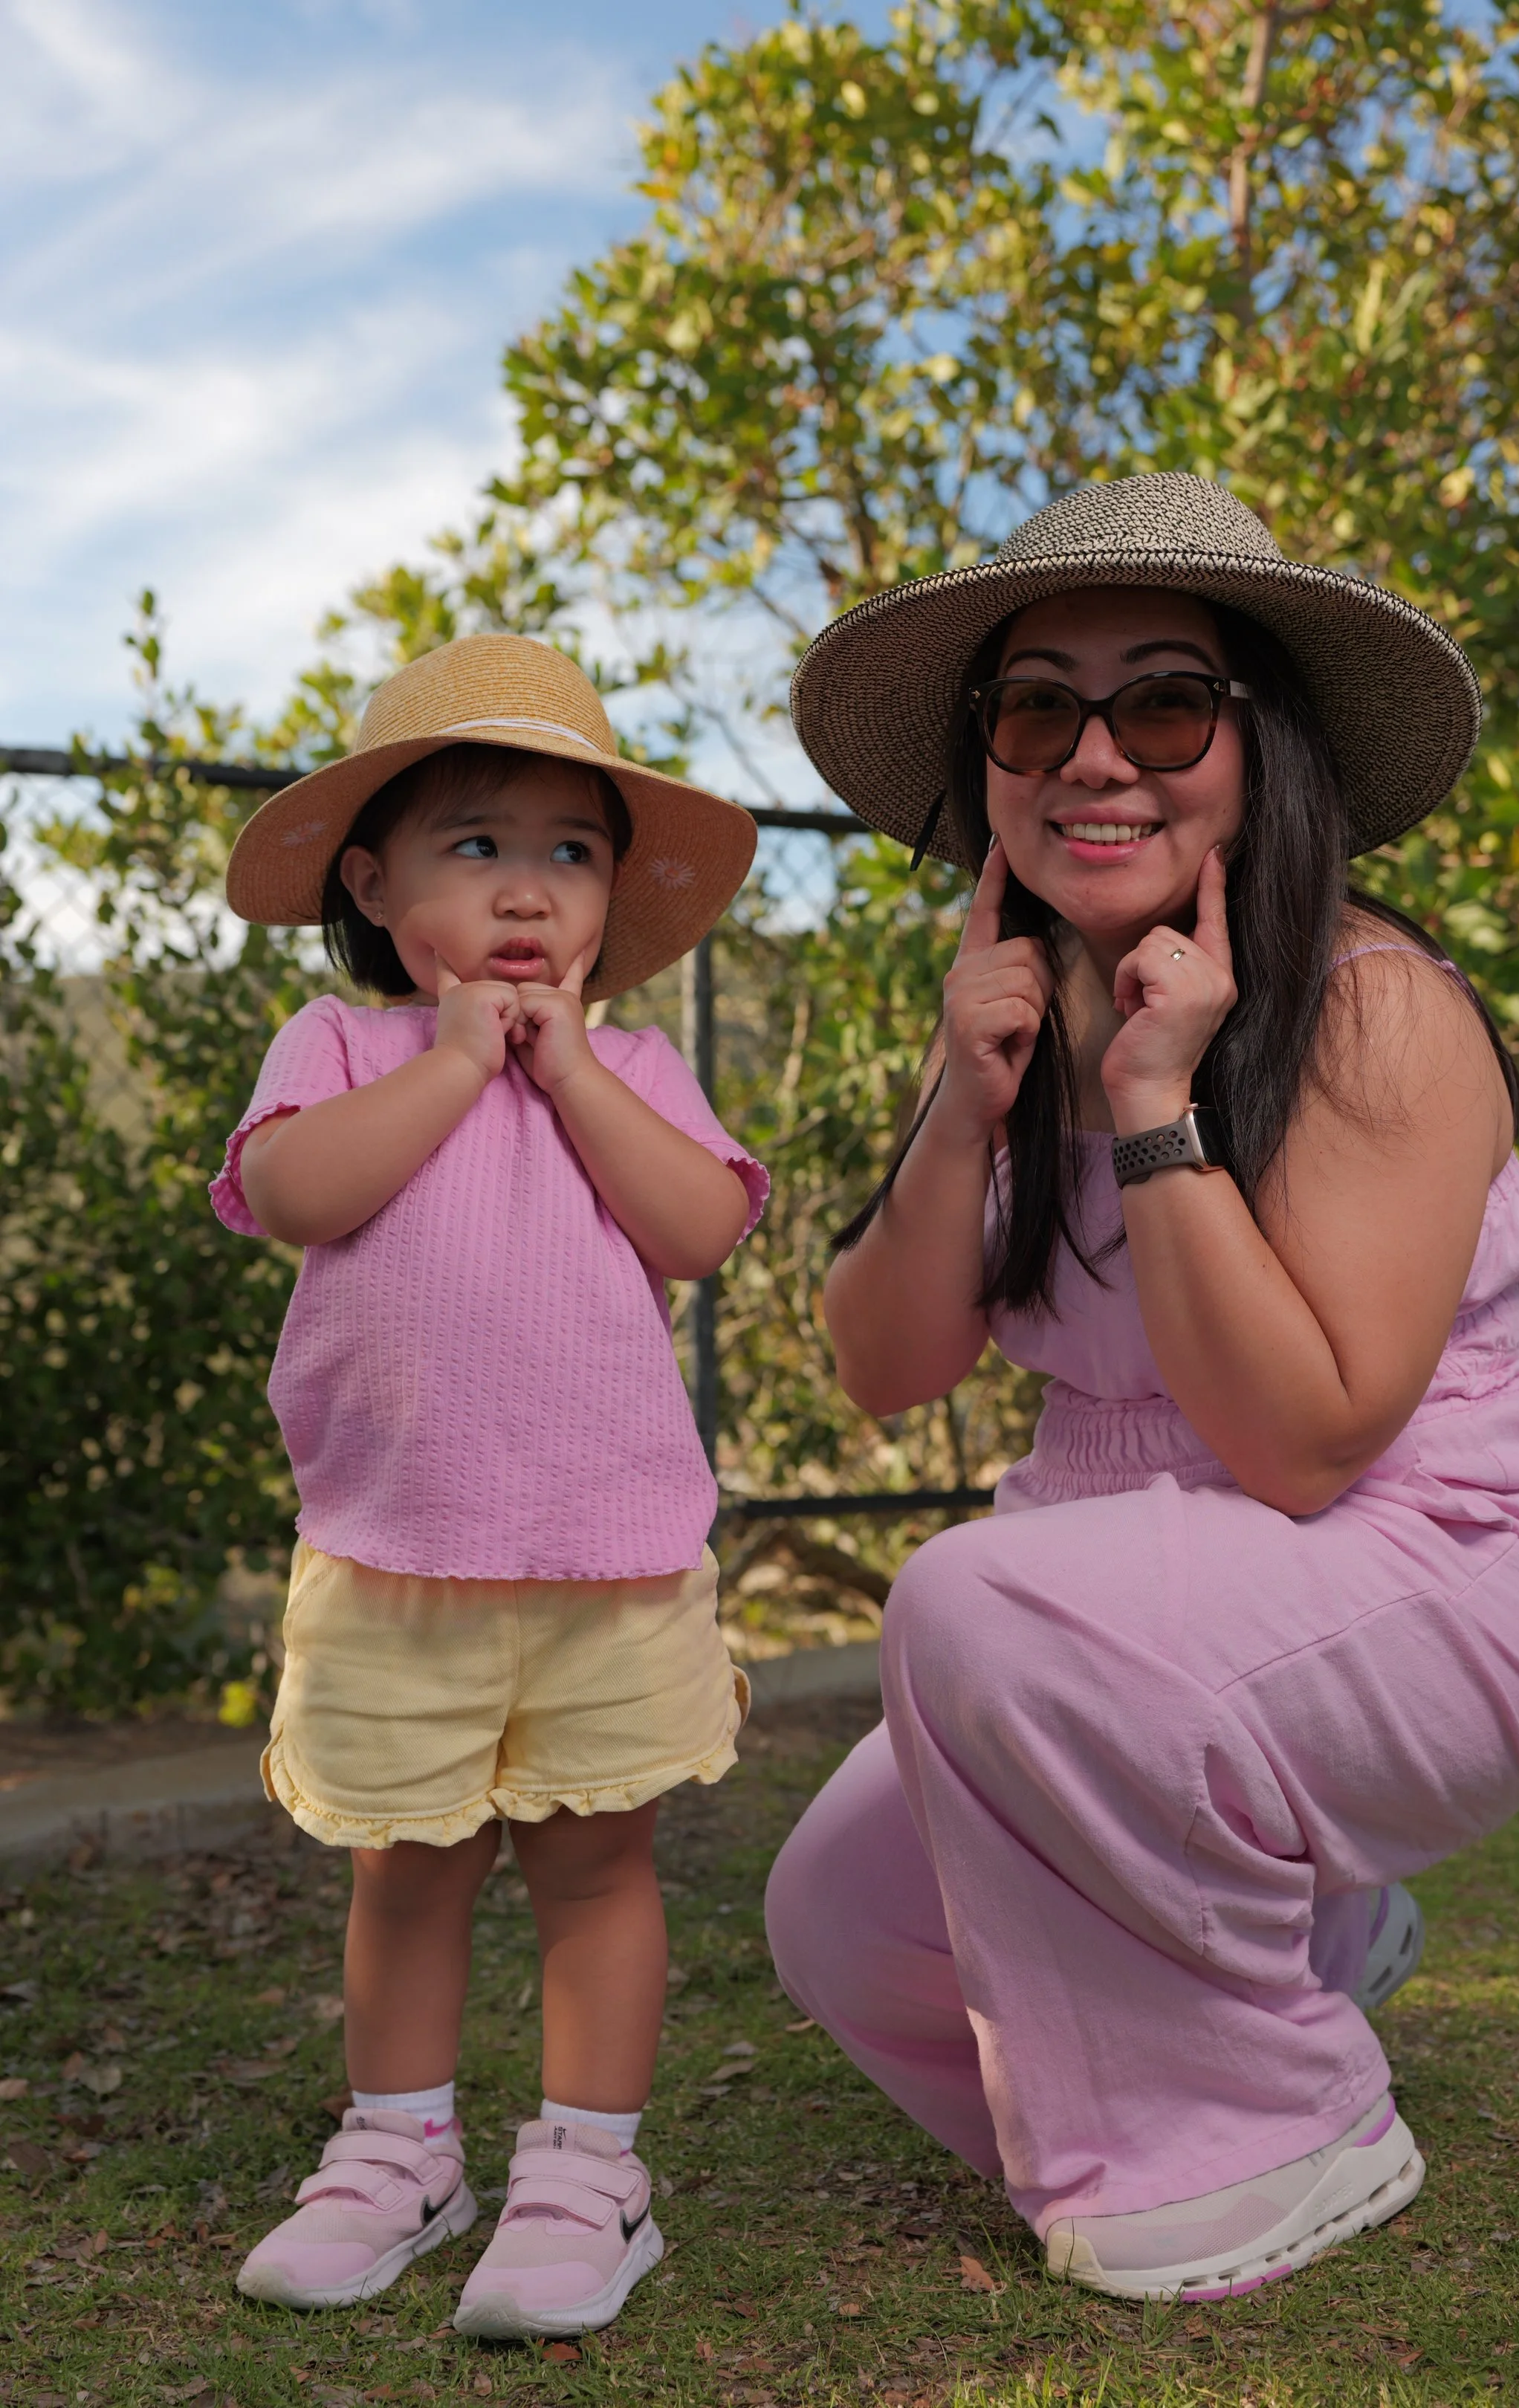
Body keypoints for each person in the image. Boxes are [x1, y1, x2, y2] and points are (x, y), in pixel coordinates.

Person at [766, 473, 1519, 2302]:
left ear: (1259, 747)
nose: (1095, 756)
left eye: (1162, 701)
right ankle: (1284, 1944)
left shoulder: (1375, 1008)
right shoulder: (1017, 1009)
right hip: (1148, 1580)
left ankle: (1277, 2132)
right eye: (1035, 707)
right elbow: (882, 1366)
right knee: (834, 1916)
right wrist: (961, 1109)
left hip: (1437, 1555)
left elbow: (1307, 1446)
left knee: (971, 1606)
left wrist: (1156, 1107)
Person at [210, 634, 764, 2337]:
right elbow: (298, 1192)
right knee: (408, 1869)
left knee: (600, 1870)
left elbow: (701, 1228)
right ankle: (400, 2154)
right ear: (373, 885)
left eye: (569, 851)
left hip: (610, 1563)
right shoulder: (345, 1042)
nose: (527, 891)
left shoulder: (638, 1069)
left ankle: (591, 2170)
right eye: (477, 846)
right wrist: (459, 1063)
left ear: (610, 897)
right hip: (395, 1555)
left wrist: (571, 1067)